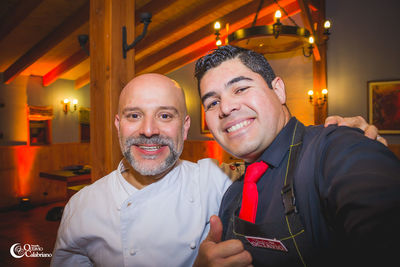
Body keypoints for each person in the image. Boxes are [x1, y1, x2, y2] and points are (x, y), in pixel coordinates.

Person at [51, 72, 386, 267]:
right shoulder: (82, 208)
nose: (149, 130)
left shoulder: (217, 179)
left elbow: (283, 165)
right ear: (118, 125)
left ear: (184, 128)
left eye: (165, 116)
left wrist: (334, 137)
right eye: (134, 115)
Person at [194, 45, 400, 267]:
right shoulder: (232, 195)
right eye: (212, 103)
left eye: (241, 88)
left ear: (279, 90)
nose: (225, 107)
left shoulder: (336, 147)